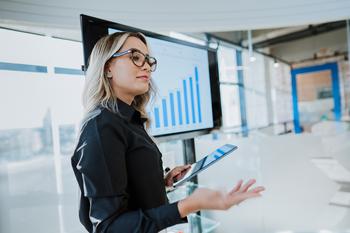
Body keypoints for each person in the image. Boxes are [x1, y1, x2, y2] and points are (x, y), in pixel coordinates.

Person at [71, 31, 265, 233]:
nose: (146, 65)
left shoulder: (129, 120)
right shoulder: (102, 126)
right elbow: (109, 227)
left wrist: (160, 181)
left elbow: (124, 189)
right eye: (135, 57)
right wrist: (190, 204)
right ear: (108, 67)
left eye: (147, 59)